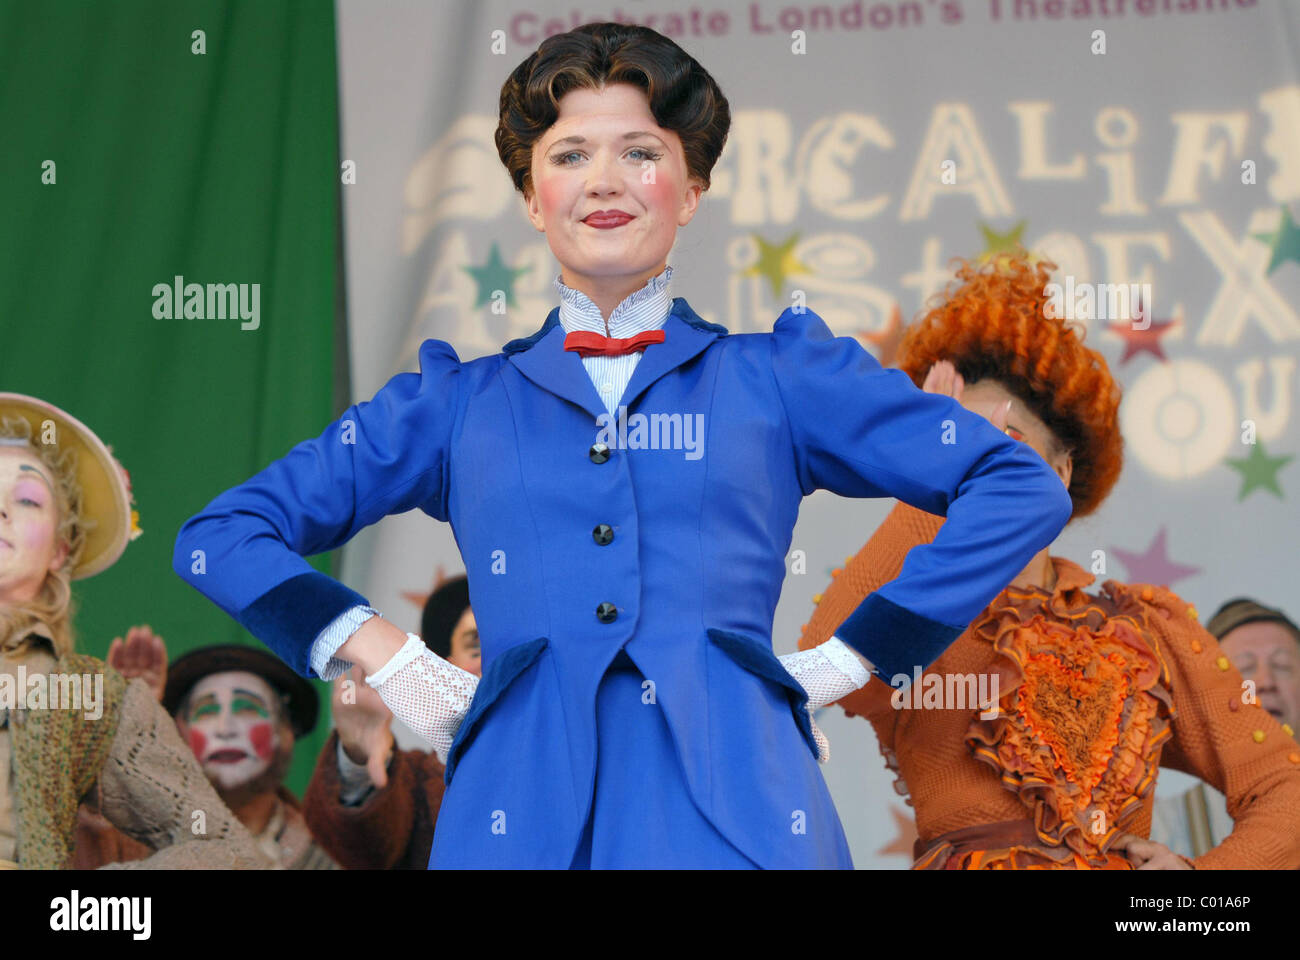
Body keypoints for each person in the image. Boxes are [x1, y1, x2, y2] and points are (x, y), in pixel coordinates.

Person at [173, 23, 1071, 868]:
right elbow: (221, 534)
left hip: (745, 820)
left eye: (641, 153)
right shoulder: (454, 402)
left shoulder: (782, 377)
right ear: (532, 195)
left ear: (691, 190)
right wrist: (387, 656)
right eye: (569, 155)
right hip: (514, 819)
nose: (605, 180)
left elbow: (1020, 487)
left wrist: (855, 654)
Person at [799, 253, 1300, 869]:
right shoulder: (914, 609)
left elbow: (1284, 785)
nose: (979, 466)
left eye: (1004, 447)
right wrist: (928, 473)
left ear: (1061, 473)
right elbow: (827, 672)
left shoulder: (1147, 629)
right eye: (961, 440)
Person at [0, 392, 265, 869]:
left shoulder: (91, 698)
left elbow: (229, 854)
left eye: (26, 498)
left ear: (61, 550)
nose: (1, 509)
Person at [300, 575, 476, 870]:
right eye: (477, 648)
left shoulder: (579, 762)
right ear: (445, 665)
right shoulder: (417, 781)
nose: (501, 665)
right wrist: (358, 756)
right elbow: (364, 849)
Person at [163, 644, 340, 869]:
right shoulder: (137, 842)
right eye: (206, 711)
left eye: (247, 708)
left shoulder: (331, 854)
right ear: (182, 732)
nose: (225, 729)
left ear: (284, 732)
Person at [1149, 597, 1300, 858]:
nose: (1265, 682)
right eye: (1244, 668)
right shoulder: (1163, 830)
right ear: (1206, 698)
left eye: (1283, 666)